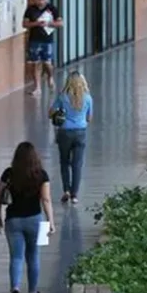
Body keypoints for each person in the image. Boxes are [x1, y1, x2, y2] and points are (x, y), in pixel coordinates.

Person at [0, 142, 55, 293]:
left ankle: (15, 289)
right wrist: (51, 222)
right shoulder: (42, 175)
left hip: (13, 220)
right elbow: (46, 200)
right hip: (37, 220)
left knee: (16, 257)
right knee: (34, 256)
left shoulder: (9, 173)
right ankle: (33, 292)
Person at [48, 71, 93, 204]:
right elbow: (89, 118)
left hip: (64, 133)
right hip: (80, 132)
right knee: (77, 164)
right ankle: (74, 195)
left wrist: (58, 114)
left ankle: (66, 190)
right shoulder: (88, 98)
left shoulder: (63, 97)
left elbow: (50, 113)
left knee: (64, 162)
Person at [22, 0, 63, 97]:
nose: (41, 2)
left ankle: (50, 76)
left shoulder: (52, 8)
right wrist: (36, 23)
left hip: (47, 40)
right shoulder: (30, 9)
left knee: (47, 63)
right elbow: (25, 24)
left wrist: (49, 23)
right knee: (35, 63)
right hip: (34, 40)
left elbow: (60, 23)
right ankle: (37, 88)